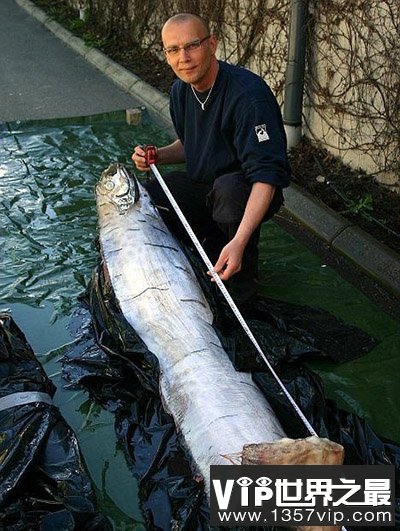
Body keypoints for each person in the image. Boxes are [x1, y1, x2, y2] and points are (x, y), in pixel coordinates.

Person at [132, 13, 290, 303]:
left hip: (247, 193)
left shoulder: (249, 97)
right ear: (166, 55)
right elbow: (190, 143)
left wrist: (239, 241)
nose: (184, 58)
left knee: (229, 191)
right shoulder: (181, 91)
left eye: (192, 45)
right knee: (151, 194)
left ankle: (241, 277)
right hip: (206, 185)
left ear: (212, 44)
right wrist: (156, 155)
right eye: (173, 50)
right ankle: (200, 251)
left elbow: (266, 177)